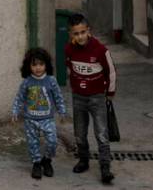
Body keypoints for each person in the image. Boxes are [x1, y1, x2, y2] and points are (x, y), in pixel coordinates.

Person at [64, 13, 117, 184]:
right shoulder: (69, 50)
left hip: (97, 97)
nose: (79, 37)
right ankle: (84, 160)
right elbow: (70, 68)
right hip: (78, 98)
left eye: (82, 32)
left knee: (101, 133)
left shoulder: (100, 50)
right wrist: (75, 85)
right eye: (75, 33)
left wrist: (109, 93)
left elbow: (111, 72)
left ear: (89, 31)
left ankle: (105, 167)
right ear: (71, 34)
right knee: (80, 133)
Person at [12, 47, 66, 180]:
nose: (38, 68)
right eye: (34, 64)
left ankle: (46, 160)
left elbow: (58, 97)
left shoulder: (51, 81)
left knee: (52, 141)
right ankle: (36, 163)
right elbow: (19, 98)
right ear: (28, 66)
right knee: (33, 143)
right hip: (30, 119)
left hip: (47, 119)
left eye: (41, 64)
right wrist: (15, 111)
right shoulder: (27, 82)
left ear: (46, 65)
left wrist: (62, 111)